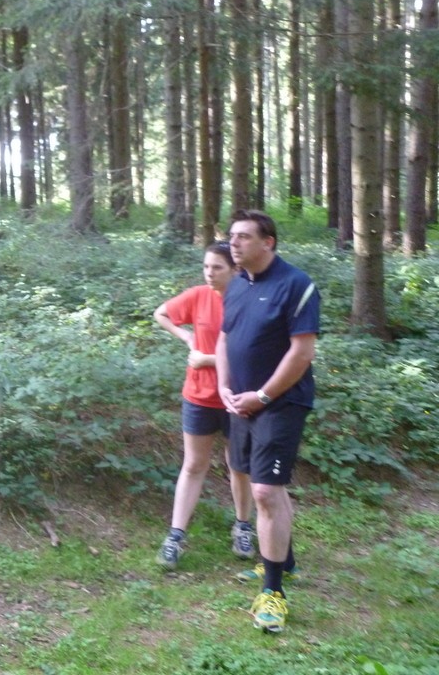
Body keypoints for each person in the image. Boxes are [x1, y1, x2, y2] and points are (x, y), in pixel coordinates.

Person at [215, 209, 320, 634]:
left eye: (243, 236)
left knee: (264, 490)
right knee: (257, 481)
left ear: (268, 242)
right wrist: (224, 385)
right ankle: (285, 560)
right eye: (232, 236)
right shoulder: (238, 283)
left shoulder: (296, 285)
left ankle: (273, 592)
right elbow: (224, 337)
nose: (234, 243)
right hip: (241, 402)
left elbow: (302, 352)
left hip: (280, 403)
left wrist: (262, 396)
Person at [153, 242, 254, 570]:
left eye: (217, 268)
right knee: (194, 464)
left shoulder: (249, 300)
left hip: (237, 396)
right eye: (206, 267)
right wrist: (186, 337)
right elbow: (161, 313)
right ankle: (175, 536)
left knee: (238, 465)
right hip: (198, 396)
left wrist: (207, 359)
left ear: (235, 269)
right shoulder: (198, 295)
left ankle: (243, 527)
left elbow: (252, 352)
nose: (210, 273)